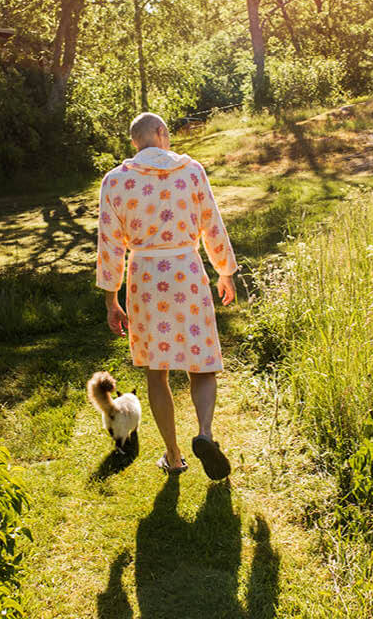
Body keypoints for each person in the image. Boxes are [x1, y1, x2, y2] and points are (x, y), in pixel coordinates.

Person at [96, 112, 238, 479]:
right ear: (161, 133)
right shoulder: (191, 172)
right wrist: (225, 271)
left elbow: (109, 244)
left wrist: (112, 298)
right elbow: (212, 223)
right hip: (186, 272)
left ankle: (174, 457)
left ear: (134, 142)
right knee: (202, 364)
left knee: (157, 373)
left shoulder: (116, 181)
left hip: (144, 278)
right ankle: (205, 434)